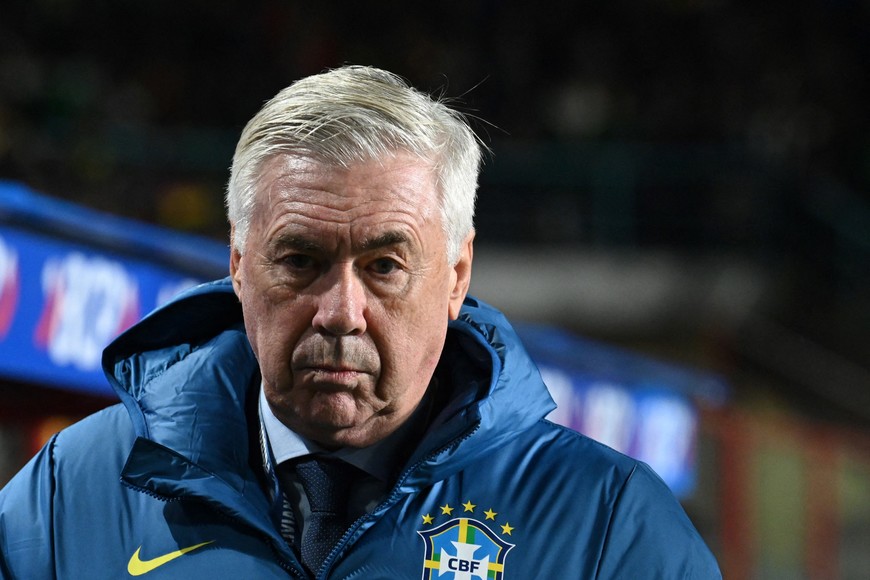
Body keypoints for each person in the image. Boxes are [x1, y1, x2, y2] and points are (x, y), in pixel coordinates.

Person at [0, 65, 720, 579]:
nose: (341, 313)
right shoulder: (70, 493)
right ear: (240, 266)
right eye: (300, 261)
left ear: (457, 277)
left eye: (384, 266)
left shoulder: (610, 528)